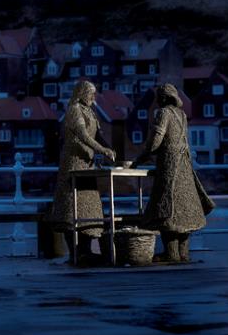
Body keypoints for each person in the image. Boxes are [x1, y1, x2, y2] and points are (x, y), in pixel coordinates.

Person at [132, 83, 215, 262]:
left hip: (169, 167)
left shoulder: (163, 114)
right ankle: (183, 254)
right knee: (184, 211)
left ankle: (171, 253)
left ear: (163, 98)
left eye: (158, 97)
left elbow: (155, 142)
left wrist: (140, 159)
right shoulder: (182, 115)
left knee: (166, 207)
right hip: (185, 166)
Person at [50, 80, 116, 264]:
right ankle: (75, 252)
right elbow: (83, 135)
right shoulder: (74, 110)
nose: (94, 97)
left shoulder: (91, 112)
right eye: (91, 93)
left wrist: (111, 150)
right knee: (71, 206)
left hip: (87, 165)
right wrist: (102, 150)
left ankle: (86, 250)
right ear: (81, 93)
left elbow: (98, 135)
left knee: (89, 204)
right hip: (73, 163)